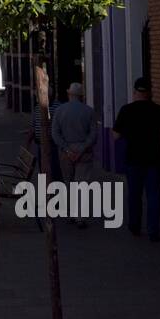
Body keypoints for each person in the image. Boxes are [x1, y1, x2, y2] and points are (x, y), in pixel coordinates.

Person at [113, 77, 160, 242]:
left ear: (135, 92)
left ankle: (134, 227)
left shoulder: (126, 110)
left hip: (133, 159)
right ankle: (153, 231)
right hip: (154, 159)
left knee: (134, 195)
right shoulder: (159, 110)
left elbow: (116, 135)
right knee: (154, 195)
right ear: (150, 92)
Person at [51, 82, 98, 226]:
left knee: (68, 182)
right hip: (84, 153)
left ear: (69, 94)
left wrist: (66, 149)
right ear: (81, 96)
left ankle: (71, 212)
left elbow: (55, 133)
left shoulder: (60, 111)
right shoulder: (89, 111)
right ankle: (80, 217)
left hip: (66, 152)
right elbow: (93, 134)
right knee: (81, 184)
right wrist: (82, 148)